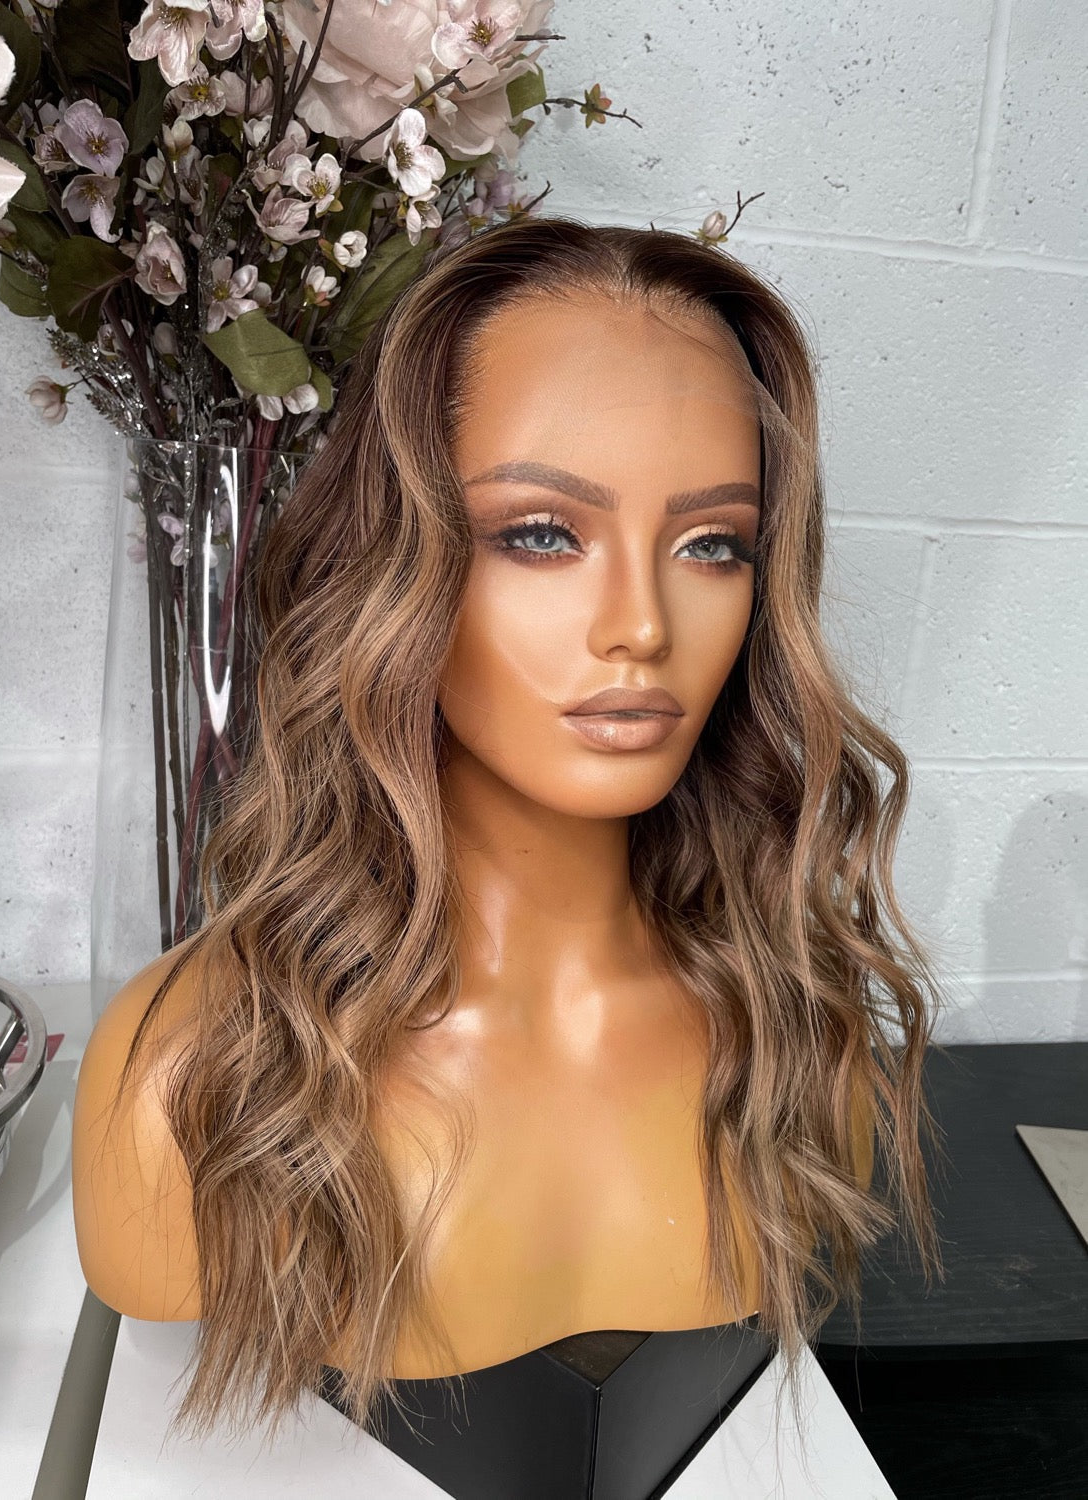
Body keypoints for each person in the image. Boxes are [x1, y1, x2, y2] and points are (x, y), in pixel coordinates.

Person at [72, 215, 946, 1449]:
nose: (641, 624)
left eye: (713, 545)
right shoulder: (190, 1077)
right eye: (542, 534)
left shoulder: (799, 1038)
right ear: (392, 562)